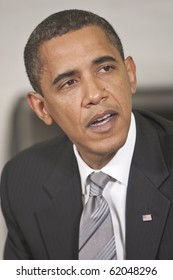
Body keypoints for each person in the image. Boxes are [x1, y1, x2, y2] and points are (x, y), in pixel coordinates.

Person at [1, 9, 173, 260]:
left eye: (105, 68)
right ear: (41, 108)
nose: (94, 95)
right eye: (69, 83)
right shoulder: (22, 181)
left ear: (130, 75)